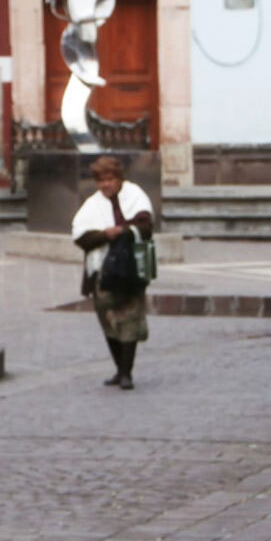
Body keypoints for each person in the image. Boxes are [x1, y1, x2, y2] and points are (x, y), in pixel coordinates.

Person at [71, 156, 154, 390]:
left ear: (119, 179)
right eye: (101, 180)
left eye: (110, 179)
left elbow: (146, 227)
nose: (105, 185)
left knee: (129, 320)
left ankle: (127, 372)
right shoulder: (92, 204)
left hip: (130, 270)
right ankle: (119, 369)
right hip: (102, 272)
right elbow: (81, 236)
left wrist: (123, 231)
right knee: (108, 320)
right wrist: (105, 235)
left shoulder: (135, 196)